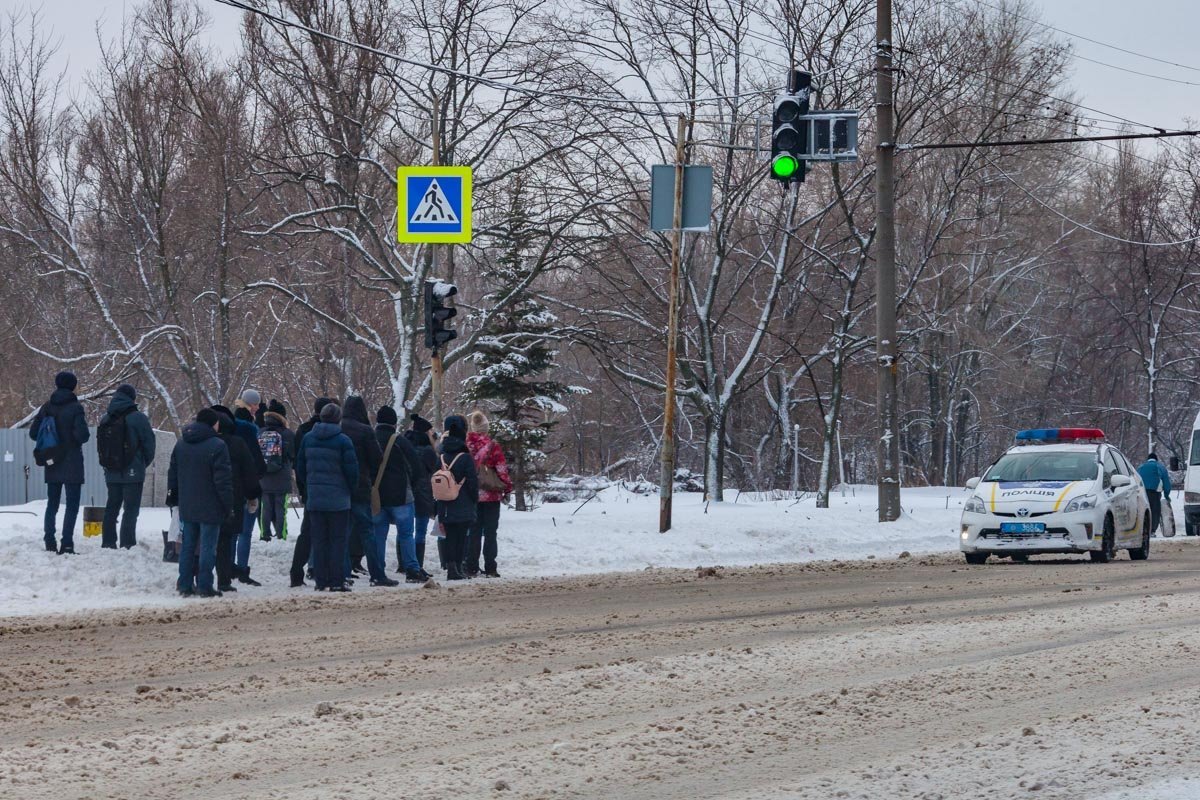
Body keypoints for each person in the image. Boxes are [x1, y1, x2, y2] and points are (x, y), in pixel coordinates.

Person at [168, 408, 233, 598]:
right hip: (211, 505)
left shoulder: (181, 444)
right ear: (214, 423)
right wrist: (228, 504)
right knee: (207, 547)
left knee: (188, 545)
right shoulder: (218, 445)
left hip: (187, 504)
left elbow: (173, 474)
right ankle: (205, 585)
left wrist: (174, 497)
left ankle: (184, 583)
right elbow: (223, 481)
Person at [295, 402, 358, 591]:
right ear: (338, 419)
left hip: (315, 498)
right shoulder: (343, 441)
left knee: (319, 540)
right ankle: (336, 581)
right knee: (337, 541)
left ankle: (321, 581)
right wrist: (349, 489)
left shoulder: (308, 438)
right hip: (338, 499)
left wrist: (310, 486)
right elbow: (352, 471)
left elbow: (300, 467)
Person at [29, 371, 90, 554]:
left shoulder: (47, 407)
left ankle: (49, 542)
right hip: (72, 462)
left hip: (52, 460)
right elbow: (83, 436)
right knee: (72, 506)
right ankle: (67, 544)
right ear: (73, 386)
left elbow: (33, 433)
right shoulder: (76, 408)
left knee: (52, 504)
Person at [341, 396, 397, 586]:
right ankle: (377, 574)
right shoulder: (365, 431)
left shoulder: (338, 428)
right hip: (361, 486)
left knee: (344, 532)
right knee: (367, 532)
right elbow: (377, 459)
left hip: (341, 488)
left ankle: (344, 573)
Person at [373, 405, 428, 583]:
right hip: (401, 496)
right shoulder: (399, 440)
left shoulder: (371, 438)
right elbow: (417, 467)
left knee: (378, 534)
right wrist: (409, 484)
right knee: (405, 534)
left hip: (377, 496)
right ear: (394, 422)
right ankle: (412, 569)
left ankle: (378, 570)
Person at [97, 384, 156, 550]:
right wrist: (142, 463)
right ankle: (127, 544)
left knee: (111, 507)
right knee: (130, 509)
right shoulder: (138, 418)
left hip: (111, 470)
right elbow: (149, 445)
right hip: (133, 471)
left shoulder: (105, 418)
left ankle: (108, 542)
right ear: (132, 398)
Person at [212, 408, 263, 594]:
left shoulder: (203, 442)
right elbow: (251, 471)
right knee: (231, 537)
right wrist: (252, 494)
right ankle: (228, 576)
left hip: (206, 498)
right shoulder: (238, 443)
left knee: (207, 539)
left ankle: (200, 577)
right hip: (233, 497)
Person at [464, 410, 513, 578]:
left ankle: (471, 567)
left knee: (474, 532)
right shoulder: (493, 446)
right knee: (491, 533)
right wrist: (507, 487)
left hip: (472, 495)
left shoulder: (466, 445)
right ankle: (491, 567)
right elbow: (501, 469)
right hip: (491, 495)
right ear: (486, 428)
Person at [291, 397, 333, 587]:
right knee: (330, 532)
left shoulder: (303, 431)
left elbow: (297, 462)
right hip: (331, 490)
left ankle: (298, 570)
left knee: (307, 532)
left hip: (310, 488)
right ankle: (322, 570)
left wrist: (303, 486)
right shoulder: (335, 434)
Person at [437, 415, 478, 581]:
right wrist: (474, 499)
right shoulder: (465, 457)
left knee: (450, 536)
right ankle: (458, 568)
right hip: (463, 502)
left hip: (444, 503)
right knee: (461, 537)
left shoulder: (441, 456)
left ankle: (450, 567)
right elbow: (472, 483)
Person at [231, 392, 266, 585]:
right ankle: (242, 569)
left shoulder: (228, 427)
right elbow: (257, 462)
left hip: (232, 486)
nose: (258, 408)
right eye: (257, 404)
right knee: (245, 531)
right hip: (248, 487)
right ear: (250, 405)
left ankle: (227, 567)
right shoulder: (250, 431)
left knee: (232, 531)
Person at [404, 414, 439, 573]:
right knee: (420, 531)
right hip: (423, 493)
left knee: (405, 530)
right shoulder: (427, 451)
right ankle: (417, 564)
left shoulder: (405, 445)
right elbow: (436, 468)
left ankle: (403, 563)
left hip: (405, 491)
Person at [258, 400, 296, 542]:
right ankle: (281, 535)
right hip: (282, 476)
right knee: (281, 508)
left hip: (264, 477)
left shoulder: (260, 432)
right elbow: (293, 454)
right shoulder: (287, 434)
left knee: (265, 507)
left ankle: (264, 534)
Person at [1138, 452, 1173, 535]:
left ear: (1148, 459)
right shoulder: (1160, 466)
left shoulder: (1141, 467)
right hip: (1155, 492)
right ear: (1156, 459)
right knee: (1155, 511)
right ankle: (1152, 530)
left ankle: (1144, 530)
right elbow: (1166, 483)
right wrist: (1166, 495)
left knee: (1144, 510)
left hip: (1142, 492)